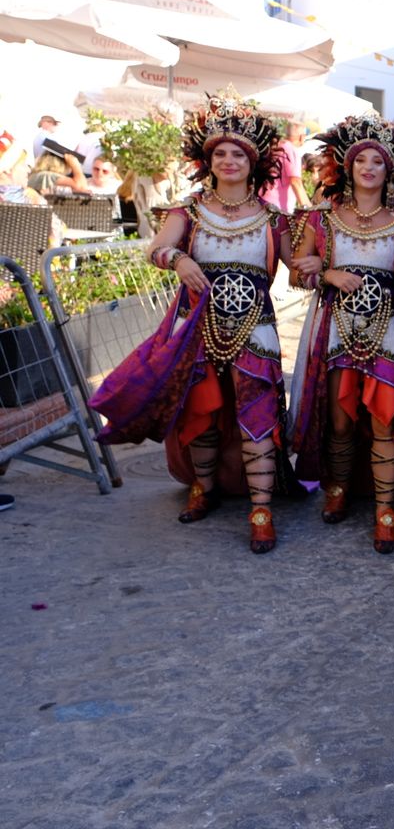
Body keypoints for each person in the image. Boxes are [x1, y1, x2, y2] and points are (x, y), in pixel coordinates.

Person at [90, 89, 290, 553]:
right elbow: (156, 249)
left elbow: (299, 267)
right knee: (201, 411)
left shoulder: (275, 218)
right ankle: (203, 488)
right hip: (195, 325)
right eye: (219, 153)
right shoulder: (189, 210)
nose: (228, 160)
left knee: (256, 414)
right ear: (207, 160)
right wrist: (178, 260)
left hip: (255, 327)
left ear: (253, 161)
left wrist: (324, 263)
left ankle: (260, 509)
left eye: (237, 153)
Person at [286, 113, 394, 554]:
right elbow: (296, 273)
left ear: (390, 171)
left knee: (384, 420)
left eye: (377, 161)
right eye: (360, 159)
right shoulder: (321, 220)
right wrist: (325, 272)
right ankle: (338, 489)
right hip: (336, 330)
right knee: (341, 421)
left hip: (390, 330)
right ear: (345, 167)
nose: (368, 167)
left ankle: (386, 510)